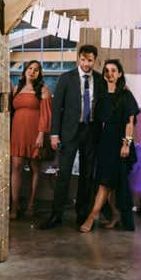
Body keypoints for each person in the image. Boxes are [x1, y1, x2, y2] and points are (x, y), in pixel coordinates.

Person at [39, 44, 106, 229]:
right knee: (64, 174)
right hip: (69, 132)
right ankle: (56, 215)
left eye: (90, 60)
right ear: (78, 59)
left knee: (86, 175)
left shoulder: (100, 80)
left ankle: (82, 214)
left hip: (91, 131)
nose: (86, 64)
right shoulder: (66, 78)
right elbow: (57, 108)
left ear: (95, 60)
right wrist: (54, 134)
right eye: (83, 60)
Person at [79, 59, 139, 232]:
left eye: (114, 70)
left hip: (120, 142)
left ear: (120, 74)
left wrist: (126, 144)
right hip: (105, 143)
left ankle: (92, 216)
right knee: (110, 182)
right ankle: (115, 215)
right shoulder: (102, 95)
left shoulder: (125, 95)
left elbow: (130, 122)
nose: (110, 74)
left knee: (105, 183)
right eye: (107, 71)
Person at [10, 60, 52, 219]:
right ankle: (14, 206)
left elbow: (46, 114)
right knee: (16, 167)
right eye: (30, 68)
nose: (32, 71)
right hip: (18, 132)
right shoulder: (17, 88)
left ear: (39, 73)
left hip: (35, 133)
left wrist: (41, 134)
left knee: (35, 168)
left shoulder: (43, 90)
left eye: (36, 70)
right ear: (25, 70)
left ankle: (31, 204)